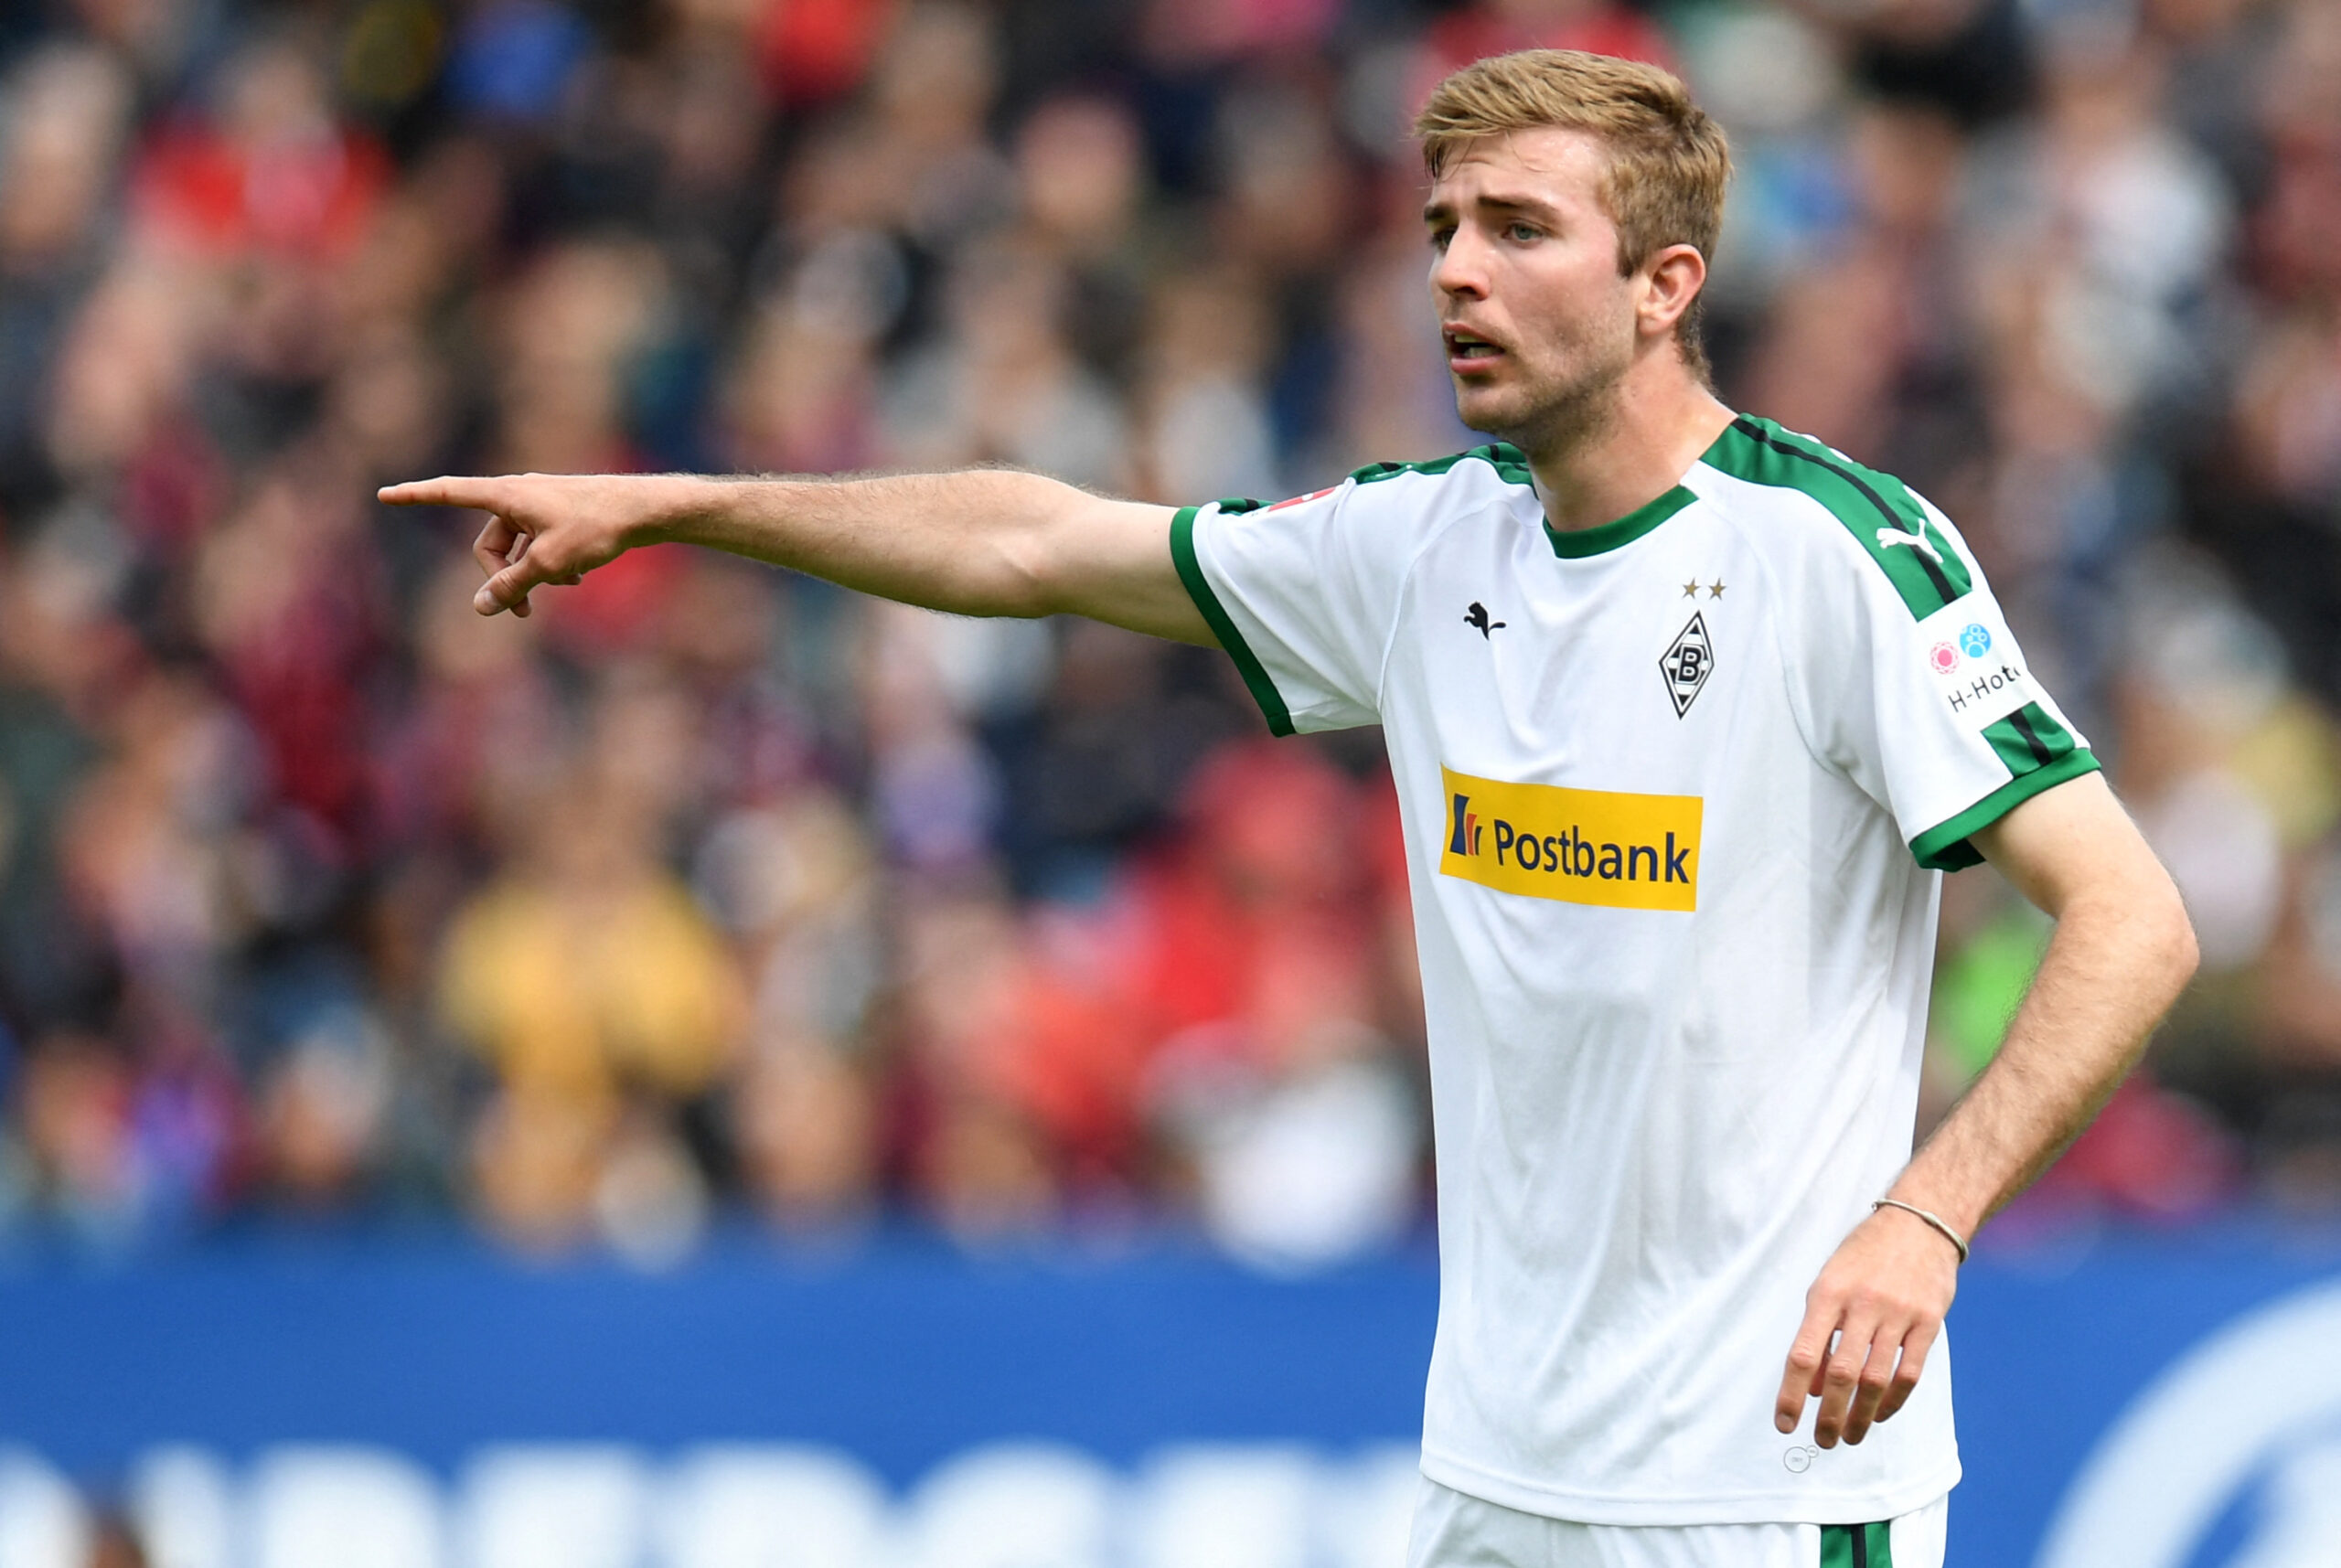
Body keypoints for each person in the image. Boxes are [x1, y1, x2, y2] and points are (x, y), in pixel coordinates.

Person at [383, 49, 2197, 1568]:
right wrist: (680, 504)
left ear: (1665, 286)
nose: (1455, 274)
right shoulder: (1419, 546)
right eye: (1440, 231)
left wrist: (1925, 1218)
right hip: (1493, 1473)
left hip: (1758, 1485)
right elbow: (1033, 543)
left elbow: (2132, 919)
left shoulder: (1831, 554)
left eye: (1518, 231)